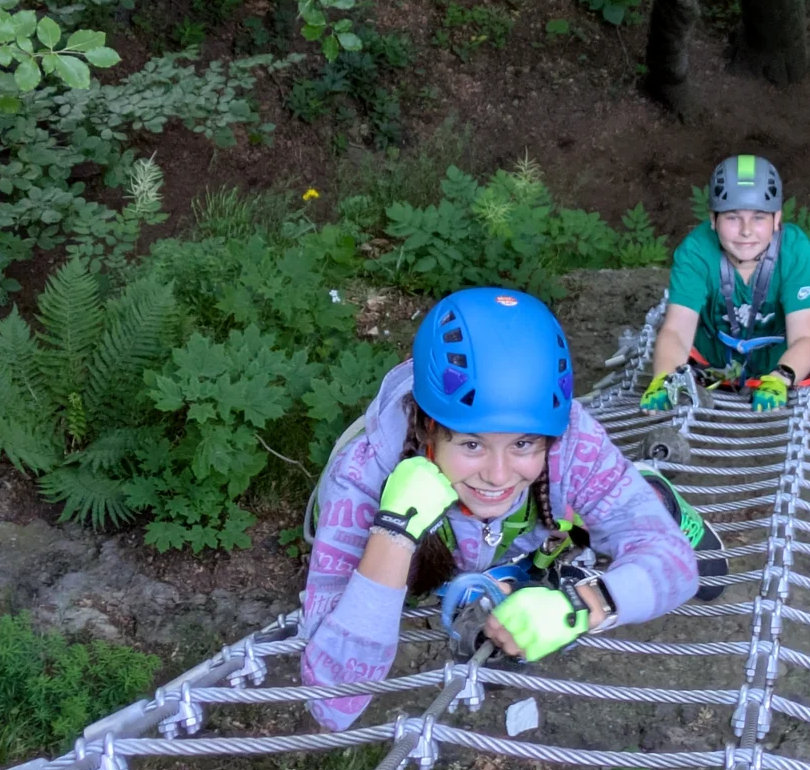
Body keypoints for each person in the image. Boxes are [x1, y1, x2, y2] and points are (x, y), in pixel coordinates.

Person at [301, 287, 703, 731]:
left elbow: (678, 564)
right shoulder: (363, 478)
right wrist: (393, 532)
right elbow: (332, 703)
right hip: (434, 549)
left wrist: (585, 605)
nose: (496, 475)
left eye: (523, 443)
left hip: (517, 545)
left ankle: (643, 492)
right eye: (472, 444)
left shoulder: (572, 440)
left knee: (611, 530)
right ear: (428, 428)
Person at [641, 155, 810, 416]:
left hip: (782, 359)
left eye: (759, 218)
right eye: (732, 217)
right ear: (713, 219)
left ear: (777, 219)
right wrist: (664, 379)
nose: (746, 231)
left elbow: (804, 337)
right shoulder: (696, 251)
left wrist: (782, 377)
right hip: (715, 361)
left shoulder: (794, 250)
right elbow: (677, 330)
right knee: (680, 370)